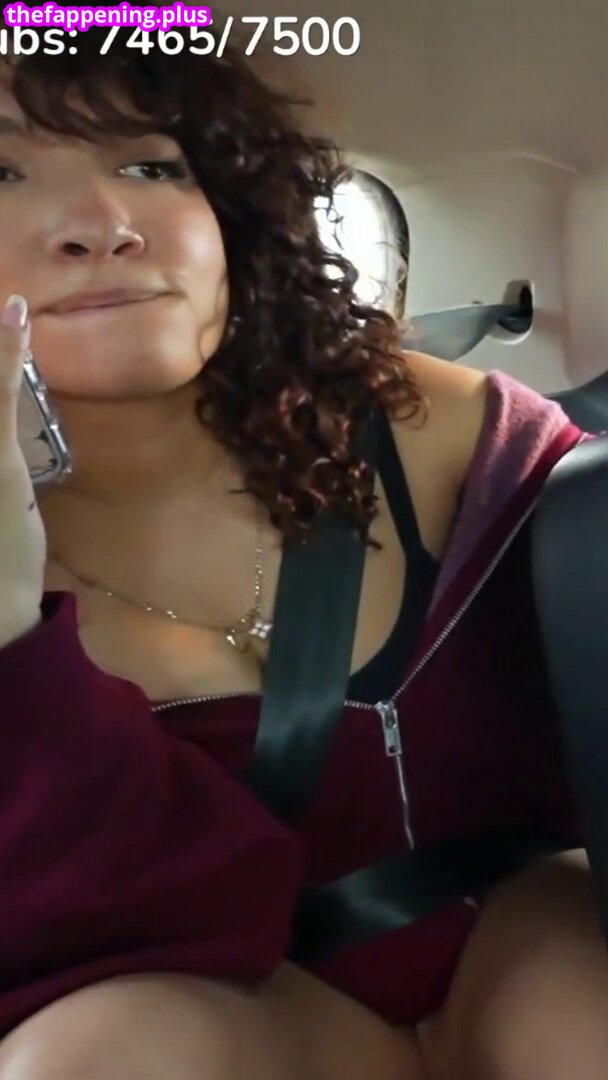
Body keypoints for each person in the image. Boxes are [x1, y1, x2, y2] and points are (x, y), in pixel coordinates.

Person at [0, 16, 607, 1080]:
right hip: (213, 1006)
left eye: (152, 165)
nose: (102, 224)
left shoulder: (444, 436)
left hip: (515, 945)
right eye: (2, 176)